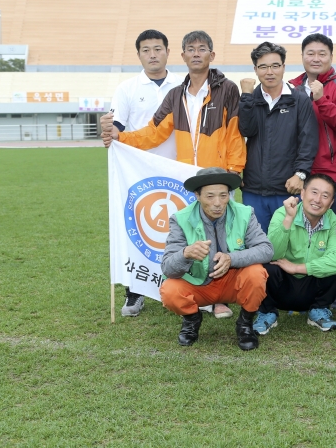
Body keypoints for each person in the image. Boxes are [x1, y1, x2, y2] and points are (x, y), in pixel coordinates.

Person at [103, 30, 246, 319]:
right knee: (194, 237)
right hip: (187, 180)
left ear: (211, 55)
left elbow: (235, 134)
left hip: (217, 175)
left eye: (202, 48)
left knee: (221, 237)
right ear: (182, 56)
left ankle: (219, 298)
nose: (196, 53)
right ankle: (194, 291)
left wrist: (232, 174)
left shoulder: (227, 89)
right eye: (190, 49)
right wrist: (122, 136)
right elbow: (154, 132)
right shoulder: (175, 94)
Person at [99, 29, 182, 317]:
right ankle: (135, 293)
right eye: (146, 50)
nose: (152, 54)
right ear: (138, 55)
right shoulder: (127, 88)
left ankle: (185, 289)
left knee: (179, 234)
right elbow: (117, 128)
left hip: (178, 172)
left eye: (157, 48)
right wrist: (108, 128)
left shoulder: (183, 85)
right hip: (139, 174)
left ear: (168, 52)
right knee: (141, 233)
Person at [159, 168, 273, 350]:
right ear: (197, 195)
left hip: (232, 282)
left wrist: (231, 258)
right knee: (170, 290)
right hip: (198, 284)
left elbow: (266, 250)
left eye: (223, 195)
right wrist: (185, 253)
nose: (218, 203)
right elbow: (168, 268)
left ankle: (245, 324)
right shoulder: (180, 219)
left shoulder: (245, 213)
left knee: (256, 273)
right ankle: (192, 319)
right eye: (210, 196)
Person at [253, 174, 336, 335]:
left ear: (331, 203)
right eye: (314, 192)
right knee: (265, 267)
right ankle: (267, 312)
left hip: (313, 286)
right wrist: (288, 220)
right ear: (302, 194)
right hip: (283, 287)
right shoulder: (283, 213)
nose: (318, 200)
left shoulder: (334, 221)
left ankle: (318, 310)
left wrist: (297, 267)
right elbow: (271, 253)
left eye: (325, 196)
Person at [238, 41, 318, 230]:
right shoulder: (250, 99)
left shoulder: (299, 100)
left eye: (275, 66)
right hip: (253, 189)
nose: (270, 72)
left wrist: (301, 174)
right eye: (263, 67)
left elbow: (308, 141)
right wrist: (247, 98)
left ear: (283, 67)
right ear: (255, 69)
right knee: (256, 246)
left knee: (288, 248)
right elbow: (245, 130)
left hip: (288, 189)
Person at [287, 33, 336, 216]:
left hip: (334, 174)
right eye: (310, 53)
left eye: (322, 54)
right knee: (301, 231)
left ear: (331, 57)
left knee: (335, 231)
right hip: (300, 174)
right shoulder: (291, 89)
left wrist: (321, 100)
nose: (316, 59)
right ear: (302, 56)